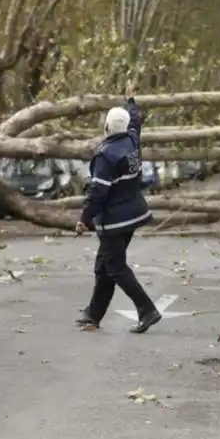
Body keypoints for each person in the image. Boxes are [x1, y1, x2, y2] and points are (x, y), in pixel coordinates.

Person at [74, 94, 161, 334]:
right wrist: (131, 103)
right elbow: (135, 123)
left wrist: (84, 218)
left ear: (106, 127)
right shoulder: (132, 141)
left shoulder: (106, 154)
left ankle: (147, 309)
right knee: (104, 266)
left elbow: (98, 192)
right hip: (133, 214)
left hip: (114, 220)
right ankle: (93, 314)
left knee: (115, 267)